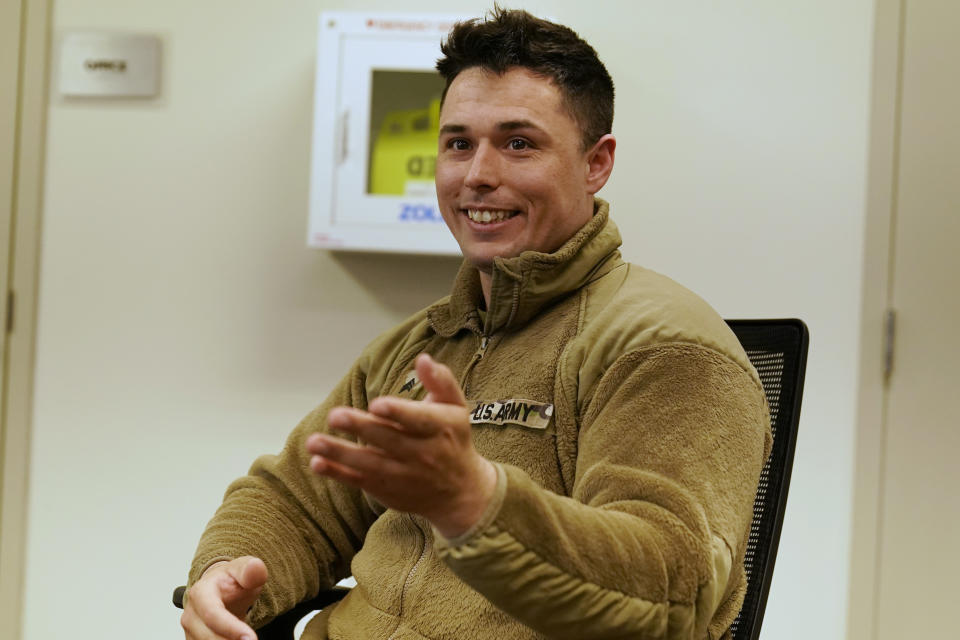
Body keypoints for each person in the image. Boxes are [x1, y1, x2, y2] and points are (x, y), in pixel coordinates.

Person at [180, 8, 770, 640]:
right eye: (459, 143)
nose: (478, 176)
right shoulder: (422, 346)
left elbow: (668, 589)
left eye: (519, 143)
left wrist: (476, 504)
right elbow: (297, 501)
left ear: (596, 163)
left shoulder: (664, 348)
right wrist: (224, 572)